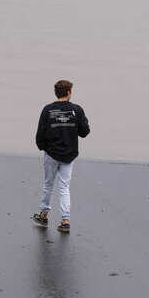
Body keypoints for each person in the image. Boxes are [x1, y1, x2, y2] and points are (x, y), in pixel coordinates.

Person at [33, 79, 91, 234]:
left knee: (48, 185)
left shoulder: (47, 110)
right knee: (64, 187)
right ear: (69, 93)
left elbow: (40, 134)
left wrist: (42, 147)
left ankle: (44, 215)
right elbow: (84, 132)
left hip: (51, 153)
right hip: (69, 154)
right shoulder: (77, 110)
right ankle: (65, 220)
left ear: (56, 93)